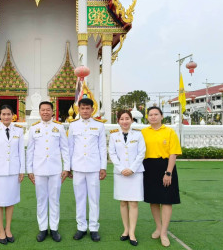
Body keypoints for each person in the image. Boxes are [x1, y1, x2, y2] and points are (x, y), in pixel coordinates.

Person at [26, 101, 70, 242]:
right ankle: (43, 228)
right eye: (43, 110)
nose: (45, 112)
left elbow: (65, 149)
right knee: (41, 200)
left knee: (54, 199)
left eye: (48, 110)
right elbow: (30, 151)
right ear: (39, 112)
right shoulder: (34, 129)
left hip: (55, 169)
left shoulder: (59, 128)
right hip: (39, 170)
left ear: (52, 111)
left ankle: (54, 228)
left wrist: (66, 168)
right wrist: (29, 170)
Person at [141, 106, 182, 247]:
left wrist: (168, 172)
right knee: (153, 200)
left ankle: (164, 232)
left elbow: (173, 153)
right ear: (147, 117)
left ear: (162, 116)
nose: (153, 117)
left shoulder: (170, 132)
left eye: (156, 114)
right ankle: (158, 227)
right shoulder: (143, 132)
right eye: (150, 114)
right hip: (149, 168)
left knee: (166, 200)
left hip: (165, 167)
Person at [68, 98, 107, 242]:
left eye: (87, 108)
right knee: (80, 198)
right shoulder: (73, 126)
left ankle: (94, 228)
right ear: (79, 109)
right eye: (82, 108)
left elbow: (102, 148)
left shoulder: (99, 126)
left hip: (94, 167)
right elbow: (70, 147)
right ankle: (81, 227)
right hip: (77, 167)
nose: (85, 111)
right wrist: (69, 168)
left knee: (94, 198)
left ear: (92, 110)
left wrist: (103, 167)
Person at [0, 105, 25, 245]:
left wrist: (22, 170)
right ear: (0, 116)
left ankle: (8, 228)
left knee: (10, 201)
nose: (6, 117)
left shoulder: (19, 131)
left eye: (9, 114)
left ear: (13, 115)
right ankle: (0, 230)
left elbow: (22, 152)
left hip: (13, 171)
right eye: (4, 114)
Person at [109, 110, 146, 246]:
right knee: (123, 202)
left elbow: (141, 153)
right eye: (122, 119)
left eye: (127, 118)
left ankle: (132, 232)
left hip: (135, 173)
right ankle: (125, 229)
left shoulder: (138, 134)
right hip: (120, 173)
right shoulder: (114, 136)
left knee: (133, 203)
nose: (124, 121)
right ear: (118, 120)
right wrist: (121, 168)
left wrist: (131, 169)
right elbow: (112, 153)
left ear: (132, 120)